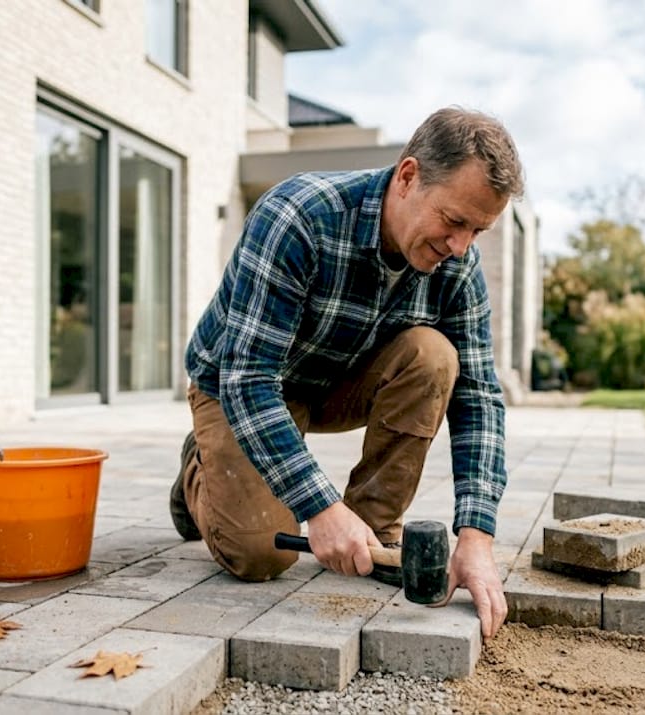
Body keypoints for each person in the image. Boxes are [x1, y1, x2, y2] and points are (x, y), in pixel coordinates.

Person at [172, 106, 525, 640]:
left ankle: (370, 526)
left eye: (478, 230)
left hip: (336, 382)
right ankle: (200, 469)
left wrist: (477, 536)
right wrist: (320, 508)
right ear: (408, 177)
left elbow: (477, 397)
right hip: (241, 387)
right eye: (454, 221)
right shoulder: (299, 216)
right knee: (259, 555)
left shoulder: (458, 265)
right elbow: (249, 379)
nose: (460, 246)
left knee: (435, 356)